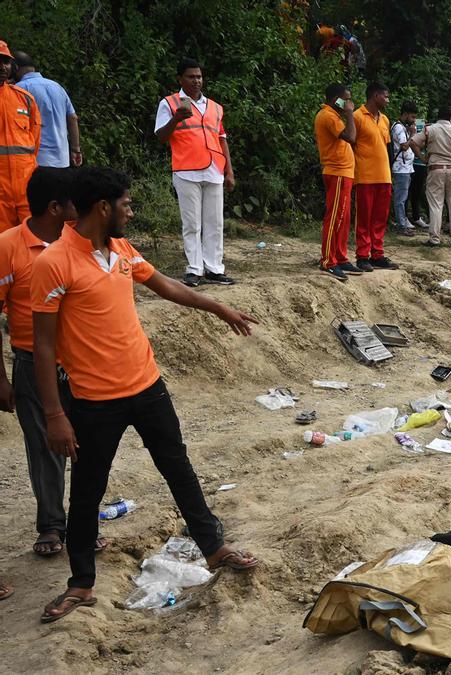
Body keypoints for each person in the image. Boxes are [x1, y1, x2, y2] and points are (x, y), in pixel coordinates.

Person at [31, 166, 261, 623]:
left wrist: (217, 307)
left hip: (148, 385)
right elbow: (42, 344)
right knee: (87, 492)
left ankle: (214, 550)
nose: (130, 212)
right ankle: (81, 584)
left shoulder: (120, 250)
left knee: (178, 467)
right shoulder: (53, 263)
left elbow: (165, 286)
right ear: (103, 207)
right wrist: (55, 414)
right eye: (127, 204)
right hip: (94, 401)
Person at [0, 167, 107, 559]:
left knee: (87, 445)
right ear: (54, 207)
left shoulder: (77, 241)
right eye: (72, 203)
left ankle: (81, 526)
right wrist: (1, 378)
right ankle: (51, 525)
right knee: (45, 447)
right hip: (30, 363)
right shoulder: (8, 247)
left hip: (79, 362)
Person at [154, 58, 236, 287]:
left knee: (215, 222)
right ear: (180, 79)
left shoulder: (215, 107)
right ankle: (194, 269)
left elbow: (222, 139)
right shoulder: (169, 103)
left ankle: (214, 268)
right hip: (186, 170)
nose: (196, 81)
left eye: (199, 76)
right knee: (191, 223)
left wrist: (229, 170)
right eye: (191, 77)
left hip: (213, 169)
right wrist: (176, 118)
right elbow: (161, 136)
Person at [405, 105, 451, 247]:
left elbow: (413, 142)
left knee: (436, 205)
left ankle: (434, 239)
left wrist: (422, 157)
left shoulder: (430, 129)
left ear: (438, 117)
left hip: (435, 169)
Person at [314, 83, 359, 281]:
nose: (349, 102)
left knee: (344, 217)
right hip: (337, 171)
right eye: (346, 99)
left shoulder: (334, 116)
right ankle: (328, 260)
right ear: (336, 99)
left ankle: (340, 256)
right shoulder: (328, 116)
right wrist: (350, 113)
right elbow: (351, 137)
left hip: (345, 172)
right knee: (335, 217)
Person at [350, 82, 397, 272]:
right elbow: (351, 144)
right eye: (385, 96)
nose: (387, 99)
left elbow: (386, 147)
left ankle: (377, 254)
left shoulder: (384, 119)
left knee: (380, 217)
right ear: (375, 96)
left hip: (384, 176)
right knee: (364, 217)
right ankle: (362, 255)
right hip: (365, 175)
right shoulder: (357, 116)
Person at [11, 52, 80, 168]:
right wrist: (75, 149)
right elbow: (73, 118)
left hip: (38, 160)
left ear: (15, 67)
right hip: (63, 160)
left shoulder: (19, 89)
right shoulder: (57, 87)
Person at [0, 40, 41, 231]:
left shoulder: (25, 99)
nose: (2, 67)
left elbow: (35, 142)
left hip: (26, 187)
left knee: (32, 239)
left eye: (6, 62)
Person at [389, 101, 418, 237]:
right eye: (412, 117)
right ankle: (401, 226)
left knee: (403, 197)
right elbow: (404, 147)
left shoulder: (401, 127)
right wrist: (412, 135)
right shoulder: (399, 128)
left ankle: (402, 223)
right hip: (401, 168)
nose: (413, 121)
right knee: (400, 198)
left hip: (406, 167)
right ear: (405, 114)